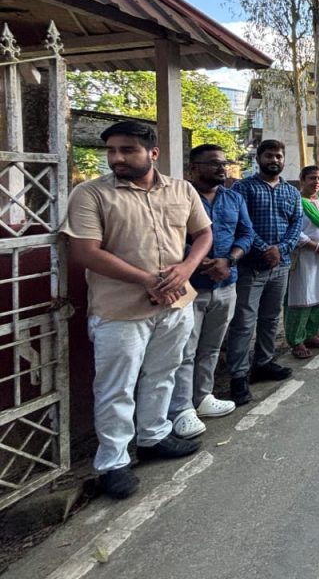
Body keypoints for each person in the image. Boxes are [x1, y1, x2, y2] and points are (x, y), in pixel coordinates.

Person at [62, 121, 213, 499]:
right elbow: (84, 252)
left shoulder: (182, 190)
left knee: (163, 373)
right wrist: (147, 280)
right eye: (112, 150)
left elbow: (203, 234)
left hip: (175, 304)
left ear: (153, 153)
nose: (117, 158)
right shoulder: (90, 194)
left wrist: (186, 268)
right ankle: (113, 462)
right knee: (116, 387)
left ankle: (153, 436)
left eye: (127, 150)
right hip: (119, 310)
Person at [168, 144, 254, 441]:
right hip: (190, 285)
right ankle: (182, 409)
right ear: (194, 168)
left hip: (226, 283)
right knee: (184, 349)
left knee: (212, 347)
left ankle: (203, 397)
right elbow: (170, 236)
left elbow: (246, 233)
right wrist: (200, 260)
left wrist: (229, 260)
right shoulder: (179, 197)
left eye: (224, 163)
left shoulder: (234, 198)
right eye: (214, 163)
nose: (222, 168)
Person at [226, 140, 302, 406]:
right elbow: (241, 225)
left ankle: (264, 363)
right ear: (258, 158)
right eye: (269, 155)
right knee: (244, 322)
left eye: (278, 156)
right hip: (251, 267)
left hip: (280, 266)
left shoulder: (291, 192)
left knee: (270, 319)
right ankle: (238, 375)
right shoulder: (243, 188)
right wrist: (263, 249)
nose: (274, 160)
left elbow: (296, 224)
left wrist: (280, 250)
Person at [285, 166, 319, 359]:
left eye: (318, 178)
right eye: (311, 178)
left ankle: (311, 334)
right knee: (302, 298)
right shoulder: (295, 202)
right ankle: (296, 341)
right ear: (302, 180)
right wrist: (316, 247)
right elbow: (294, 230)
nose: (316, 182)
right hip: (304, 257)